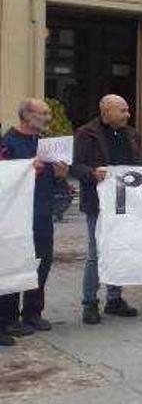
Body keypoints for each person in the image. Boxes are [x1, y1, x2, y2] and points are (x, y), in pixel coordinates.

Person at [71, 94, 142, 324]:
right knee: (96, 253)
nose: (127, 114)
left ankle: (115, 298)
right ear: (106, 112)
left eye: (127, 110)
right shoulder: (86, 133)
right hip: (97, 202)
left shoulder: (132, 134)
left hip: (124, 202)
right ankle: (90, 302)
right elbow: (75, 166)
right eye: (122, 110)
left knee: (119, 249)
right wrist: (92, 174)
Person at [0, 99, 66, 345]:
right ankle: (7, 317)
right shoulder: (8, 142)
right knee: (14, 263)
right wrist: (29, 170)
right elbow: (5, 178)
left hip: (42, 213)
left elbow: (59, 185)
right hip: (15, 217)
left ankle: (33, 312)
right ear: (27, 116)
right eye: (44, 113)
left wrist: (60, 176)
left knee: (42, 262)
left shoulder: (46, 146)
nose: (48, 117)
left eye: (49, 112)